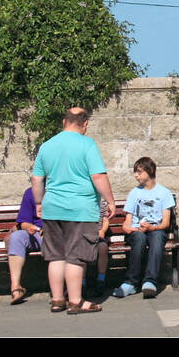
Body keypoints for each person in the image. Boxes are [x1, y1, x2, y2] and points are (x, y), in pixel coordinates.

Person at [31, 106, 116, 315]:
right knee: (75, 256)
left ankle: (57, 300)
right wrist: (111, 201)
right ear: (85, 124)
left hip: (52, 209)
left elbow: (36, 178)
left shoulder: (47, 146)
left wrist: (39, 203)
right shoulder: (87, 144)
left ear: (63, 122)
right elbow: (98, 176)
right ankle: (76, 301)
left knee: (55, 256)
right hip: (80, 209)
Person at [112, 157, 174, 299]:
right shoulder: (134, 193)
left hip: (155, 229)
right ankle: (131, 283)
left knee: (158, 236)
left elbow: (165, 223)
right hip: (137, 230)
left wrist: (152, 228)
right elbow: (127, 222)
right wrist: (128, 229)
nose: (136, 175)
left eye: (139, 172)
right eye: (135, 172)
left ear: (150, 171)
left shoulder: (164, 193)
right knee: (139, 238)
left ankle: (150, 282)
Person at [5, 185, 43, 305]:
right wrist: (29, 227)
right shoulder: (30, 192)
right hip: (37, 233)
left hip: (56, 233)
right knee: (16, 237)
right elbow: (23, 222)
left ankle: (66, 288)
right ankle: (16, 288)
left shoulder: (62, 190)